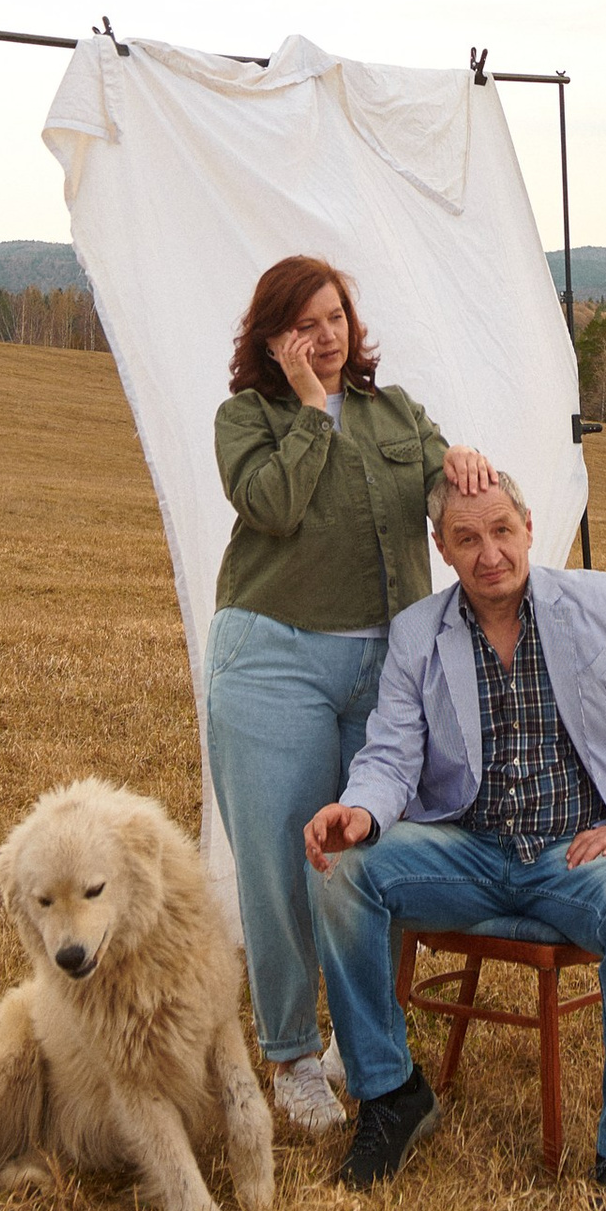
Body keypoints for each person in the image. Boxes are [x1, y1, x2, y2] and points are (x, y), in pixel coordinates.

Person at [301, 468, 606, 1201]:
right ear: (442, 547)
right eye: (466, 538)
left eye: (501, 530)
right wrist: (360, 811)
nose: (489, 552)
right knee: (340, 871)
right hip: (467, 851)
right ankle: (391, 1093)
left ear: (528, 527)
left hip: (576, 853)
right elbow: (391, 755)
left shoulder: (598, 602)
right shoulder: (418, 633)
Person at [206, 255, 498, 1135]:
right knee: (283, 862)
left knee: (377, 850)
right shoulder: (246, 419)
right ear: (273, 339)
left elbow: (450, 500)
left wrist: (465, 463)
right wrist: (308, 410)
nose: (326, 334)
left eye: (335, 316)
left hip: (388, 668)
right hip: (274, 658)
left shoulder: (396, 411)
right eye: (305, 324)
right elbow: (274, 506)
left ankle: (356, 1037)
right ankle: (292, 1055)